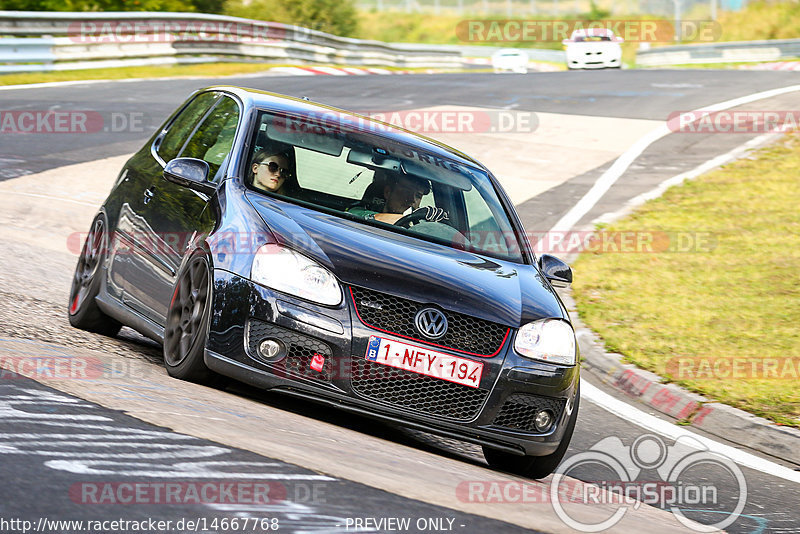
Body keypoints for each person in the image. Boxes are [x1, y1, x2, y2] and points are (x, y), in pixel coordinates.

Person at [348, 171, 448, 225]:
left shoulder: (417, 228)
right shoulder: (358, 213)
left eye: (418, 196)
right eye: (406, 192)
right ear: (387, 192)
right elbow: (375, 218)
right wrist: (415, 216)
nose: (412, 199)